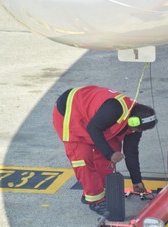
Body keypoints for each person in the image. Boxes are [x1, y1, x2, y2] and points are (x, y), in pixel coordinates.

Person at [52, 85, 157, 216]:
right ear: (133, 121)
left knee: (108, 154)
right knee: (82, 157)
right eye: (138, 129)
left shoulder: (137, 123)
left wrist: (136, 180)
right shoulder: (114, 109)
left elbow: (131, 152)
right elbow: (93, 128)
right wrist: (110, 154)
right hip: (70, 112)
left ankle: (93, 192)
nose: (138, 132)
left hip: (96, 120)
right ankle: (95, 201)